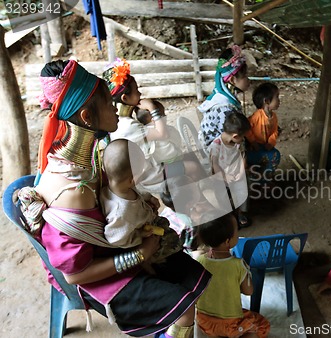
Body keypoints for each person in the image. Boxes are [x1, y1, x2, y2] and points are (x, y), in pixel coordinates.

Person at [20, 59, 211, 338]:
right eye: (106, 102)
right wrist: (140, 254)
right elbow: (75, 275)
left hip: (117, 246)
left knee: (191, 272)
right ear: (87, 116)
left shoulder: (92, 157)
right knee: (183, 306)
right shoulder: (72, 191)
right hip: (101, 277)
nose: (114, 106)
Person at [103, 58, 205, 194]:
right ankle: (198, 201)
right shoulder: (127, 126)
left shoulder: (122, 119)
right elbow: (163, 134)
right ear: (125, 99)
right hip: (150, 175)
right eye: (136, 90)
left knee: (186, 157)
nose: (139, 93)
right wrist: (152, 108)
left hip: (149, 167)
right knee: (193, 167)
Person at [100, 139, 183, 272]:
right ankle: (152, 265)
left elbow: (137, 192)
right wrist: (140, 234)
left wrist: (148, 197)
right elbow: (116, 238)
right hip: (143, 240)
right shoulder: (120, 211)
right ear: (131, 180)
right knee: (172, 245)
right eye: (141, 172)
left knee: (166, 225)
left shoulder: (120, 187)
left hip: (149, 221)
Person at [195, 214, 271, 338]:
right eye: (237, 231)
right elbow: (249, 291)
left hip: (204, 322)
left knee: (217, 326)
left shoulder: (199, 261)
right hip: (231, 324)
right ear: (227, 241)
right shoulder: (238, 265)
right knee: (262, 325)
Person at [198, 45, 250, 149]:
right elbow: (232, 139)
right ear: (232, 80)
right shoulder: (224, 107)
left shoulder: (224, 97)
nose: (248, 80)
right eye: (245, 76)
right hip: (219, 154)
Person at [208, 112, 251, 228]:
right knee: (222, 196)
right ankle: (227, 215)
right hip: (221, 174)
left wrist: (241, 172)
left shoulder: (239, 143)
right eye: (242, 136)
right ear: (235, 136)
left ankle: (241, 213)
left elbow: (243, 157)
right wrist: (225, 177)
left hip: (236, 172)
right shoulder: (216, 146)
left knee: (242, 191)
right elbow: (215, 165)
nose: (243, 139)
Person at [246, 82, 281, 179]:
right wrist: (253, 142)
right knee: (271, 158)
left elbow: (275, 131)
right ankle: (260, 181)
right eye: (277, 97)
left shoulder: (274, 117)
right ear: (267, 101)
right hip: (254, 148)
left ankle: (265, 180)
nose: (279, 100)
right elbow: (247, 129)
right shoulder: (256, 116)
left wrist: (271, 142)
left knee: (275, 156)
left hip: (265, 147)